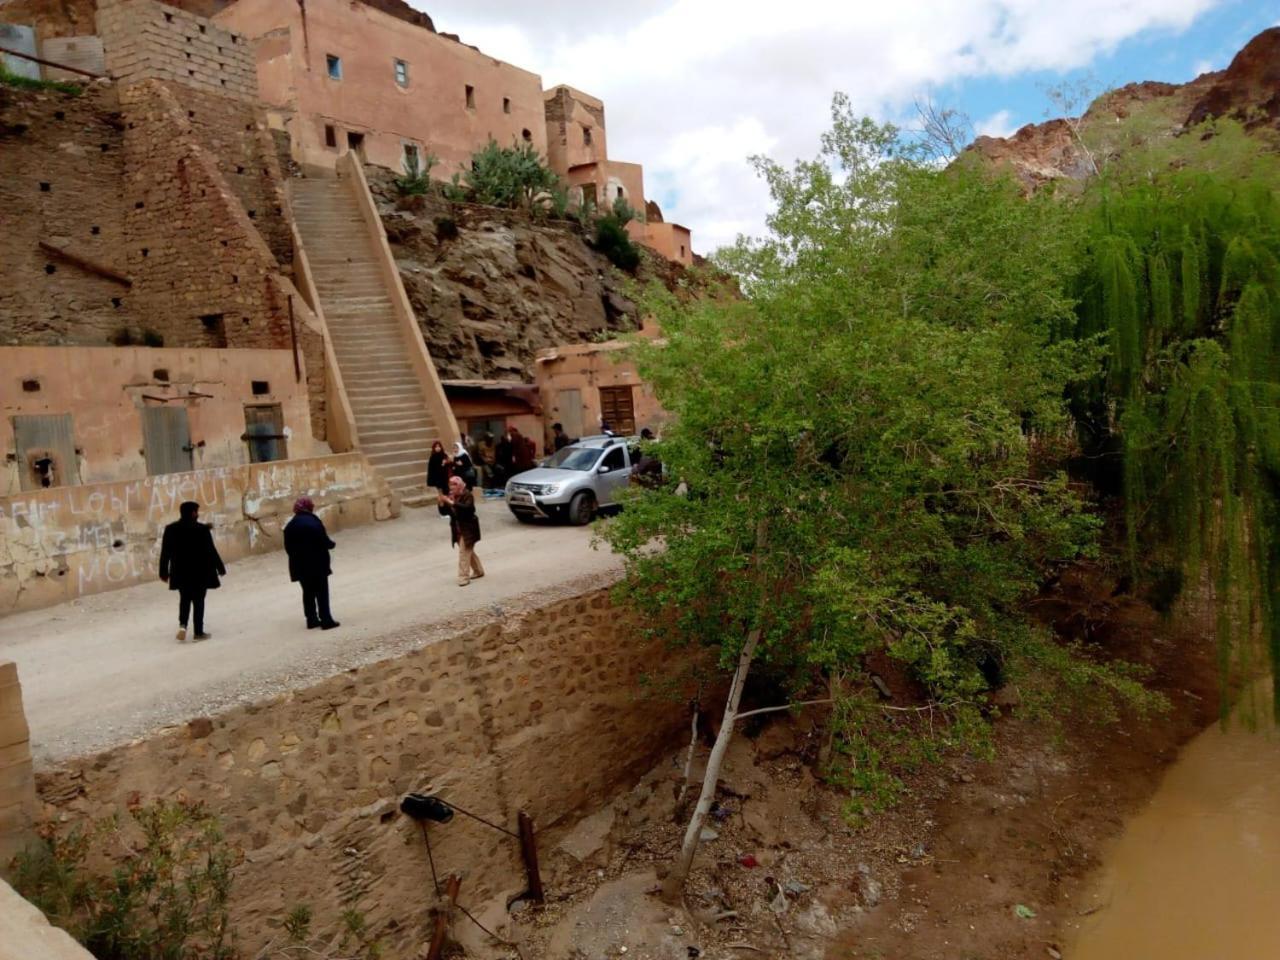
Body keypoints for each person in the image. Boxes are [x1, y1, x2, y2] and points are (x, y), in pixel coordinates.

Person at [158, 500, 225, 643]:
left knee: (184, 599)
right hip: (200, 572)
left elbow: (165, 553)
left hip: (180, 573)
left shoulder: (171, 529)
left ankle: (183, 626)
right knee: (199, 601)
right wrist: (220, 567)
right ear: (193, 513)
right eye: (197, 511)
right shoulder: (201, 529)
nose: (198, 514)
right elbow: (211, 551)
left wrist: (163, 572)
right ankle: (198, 632)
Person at [283, 497, 340, 630]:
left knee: (308, 592)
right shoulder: (314, 521)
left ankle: (312, 619)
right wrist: (332, 545)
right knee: (321, 592)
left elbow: (288, 548)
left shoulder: (290, 526)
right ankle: (326, 620)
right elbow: (324, 540)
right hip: (317, 563)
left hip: (300, 566)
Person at [440, 475, 484, 587]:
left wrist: (452, 503)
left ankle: (463, 577)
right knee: (468, 551)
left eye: (454, 485)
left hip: (468, 528)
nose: (451, 488)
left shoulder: (467, 495)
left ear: (459, 485)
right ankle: (478, 570)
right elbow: (444, 512)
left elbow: (468, 509)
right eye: (450, 485)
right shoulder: (452, 496)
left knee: (464, 553)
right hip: (458, 529)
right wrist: (441, 503)